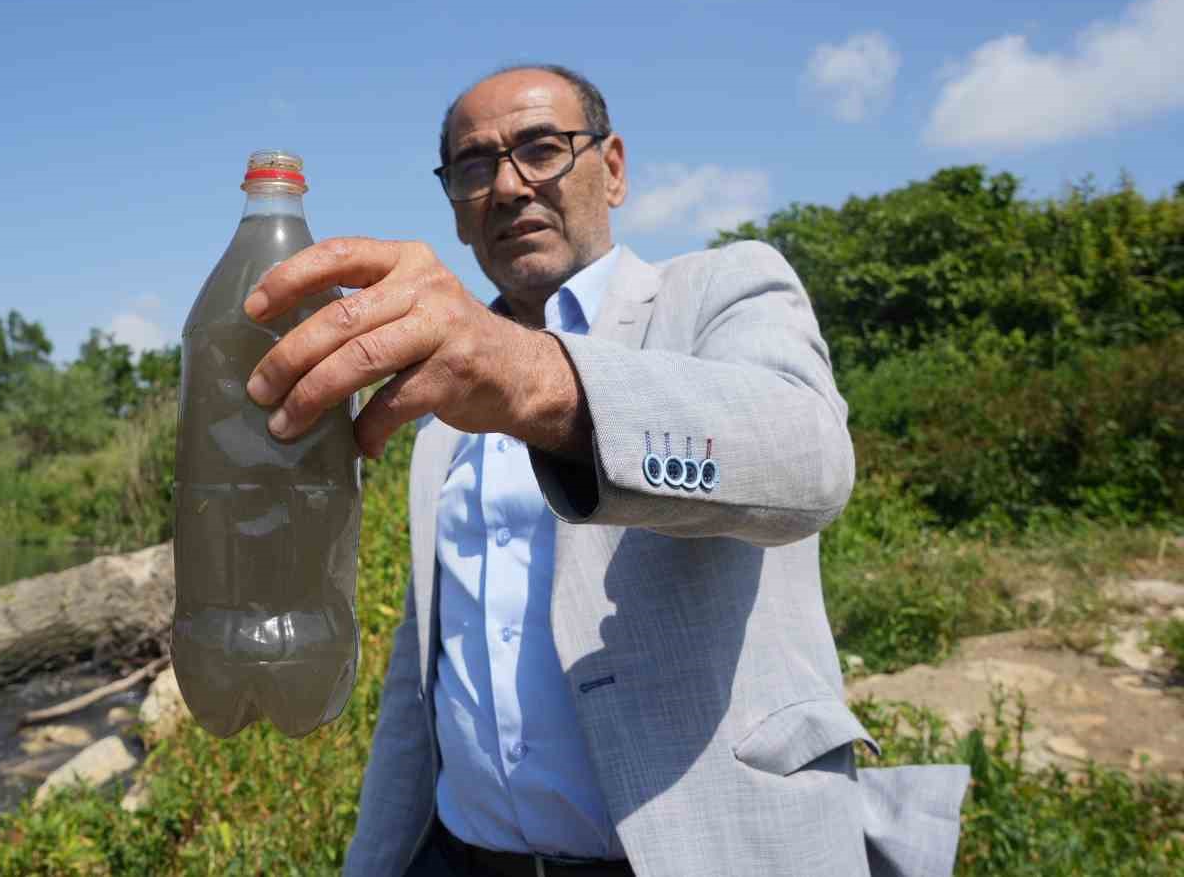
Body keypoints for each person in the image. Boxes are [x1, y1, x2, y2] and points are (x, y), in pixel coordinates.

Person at [242, 65, 968, 877]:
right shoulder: (438, 416)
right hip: (465, 855)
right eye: (475, 167)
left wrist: (534, 379)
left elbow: (808, 460)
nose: (511, 187)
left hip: (698, 853)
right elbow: (424, 684)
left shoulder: (719, 292)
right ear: (454, 206)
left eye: (542, 149)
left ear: (613, 167)